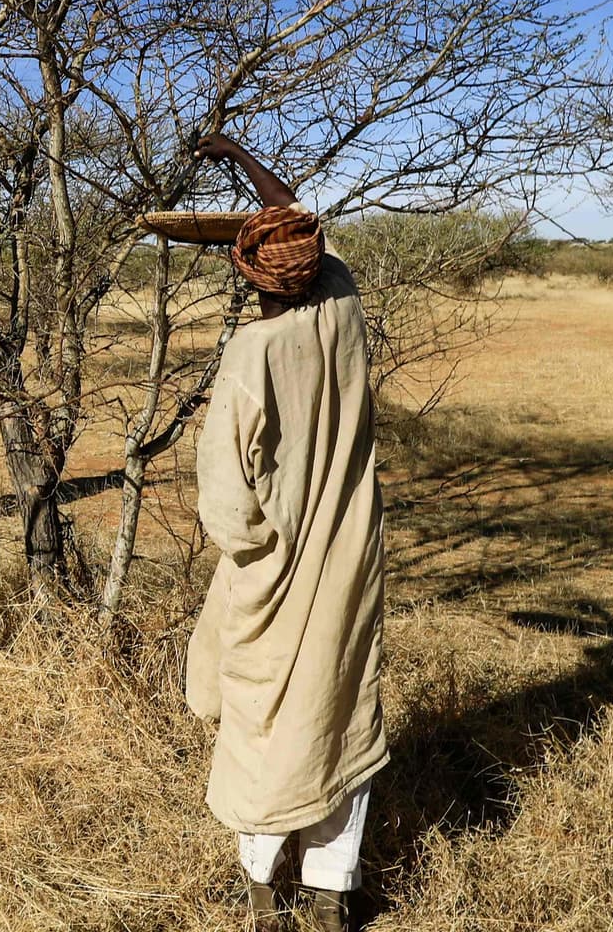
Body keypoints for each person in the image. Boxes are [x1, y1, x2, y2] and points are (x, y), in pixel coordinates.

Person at [185, 135, 387, 932]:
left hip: (273, 574)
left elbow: (229, 507)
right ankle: (336, 891)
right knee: (337, 709)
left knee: (267, 725)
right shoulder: (340, 305)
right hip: (349, 562)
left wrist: (259, 560)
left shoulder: (251, 355)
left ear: (244, 274)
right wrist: (238, 151)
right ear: (313, 260)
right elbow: (301, 217)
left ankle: (264, 893)